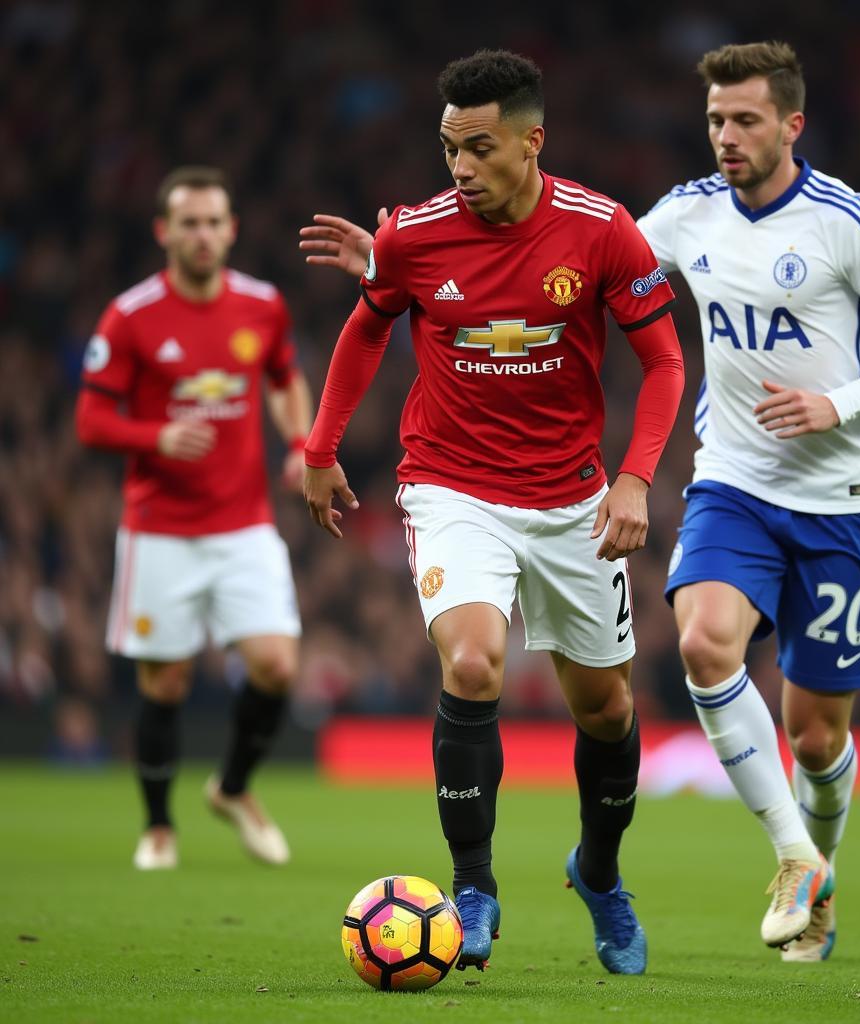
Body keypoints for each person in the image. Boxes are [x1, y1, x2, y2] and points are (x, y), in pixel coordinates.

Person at [301, 50, 684, 974]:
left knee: (604, 709)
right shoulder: (415, 237)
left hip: (573, 499)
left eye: (478, 147)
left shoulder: (603, 232)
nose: (460, 168)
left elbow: (665, 363)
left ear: (531, 139)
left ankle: (597, 871)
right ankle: (471, 886)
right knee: (473, 665)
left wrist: (634, 477)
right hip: (453, 485)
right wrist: (319, 449)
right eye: (447, 148)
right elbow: (365, 327)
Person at [637, 41, 860, 960]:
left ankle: (820, 870)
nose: (726, 137)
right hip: (732, 481)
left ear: (790, 124)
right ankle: (792, 855)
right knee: (701, 641)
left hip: (840, 501)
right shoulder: (689, 214)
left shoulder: (843, 221)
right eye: (714, 122)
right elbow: (589, 258)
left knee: (815, 739)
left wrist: (837, 403)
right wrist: (417, 255)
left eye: (744, 120)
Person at [76, 166, 312, 871]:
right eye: (190, 223)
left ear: (232, 229)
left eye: (214, 222)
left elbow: (283, 379)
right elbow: (90, 418)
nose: (203, 235)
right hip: (160, 530)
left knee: (275, 665)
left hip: (243, 524)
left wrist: (301, 444)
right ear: (164, 232)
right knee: (166, 683)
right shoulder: (131, 315)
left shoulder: (263, 306)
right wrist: (156, 437)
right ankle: (157, 828)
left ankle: (233, 789)